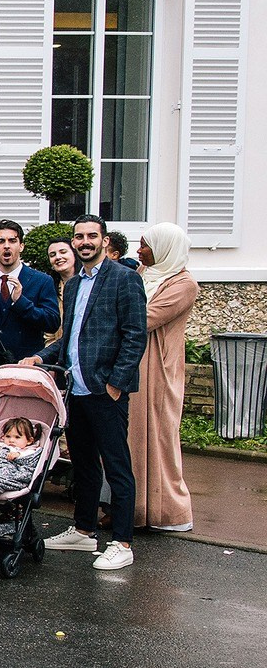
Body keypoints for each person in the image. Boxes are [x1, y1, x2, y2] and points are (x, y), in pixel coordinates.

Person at [35, 216, 148, 572]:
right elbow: (70, 340)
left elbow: (135, 335)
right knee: (82, 465)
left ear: (104, 240)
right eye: (79, 236)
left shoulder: (124, 278)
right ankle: (83, 531)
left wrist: (116, 382)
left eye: (91, 236)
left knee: (116, 466)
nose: (84, 241)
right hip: (76, 391)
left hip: (106, 390)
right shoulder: (72, 285)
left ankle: (122, 541)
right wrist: (40, 357)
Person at [129, 223, 199, 533]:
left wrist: (110, 314)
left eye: (145, 245)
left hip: (159, 368)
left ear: (164, 249)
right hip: (134, 363)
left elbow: (146, 318)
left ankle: (166, 511)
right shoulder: (143, 275)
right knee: (132, 437)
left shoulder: (184, 284)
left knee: (158, 436)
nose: (139, 250)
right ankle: (134, 509)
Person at [0, 219, 60, 382]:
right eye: (1, 241)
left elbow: (52, 322)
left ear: (21, 246)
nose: (6, 246)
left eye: (12, 241)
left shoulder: (41, 281)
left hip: (27, 369)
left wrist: (21, 302)